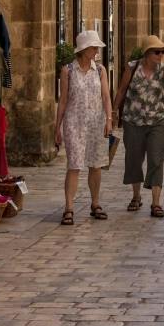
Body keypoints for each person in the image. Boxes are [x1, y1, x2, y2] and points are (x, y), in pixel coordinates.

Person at [54, 31, 113, 225]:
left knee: (95, 165)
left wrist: (109, 119)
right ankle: (69, 207)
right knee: (74, 165)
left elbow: (106, 96)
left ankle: (95, 203)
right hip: (74, 123)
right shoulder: (68, 71)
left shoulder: (100, 70)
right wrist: (57, 127)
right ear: (84, 49)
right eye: (94, 47)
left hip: (96, 122)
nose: (97, 50)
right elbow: (63, 100)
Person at [118, 35, 164, 218]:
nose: (160, 55)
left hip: (157, 122)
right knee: (134, 159)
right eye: (157, 52)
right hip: (133, 121)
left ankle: (156, 202)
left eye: (162, 51)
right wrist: (113, 112)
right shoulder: (132, 67)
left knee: (156, 159)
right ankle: (136, 196)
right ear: (146, 53)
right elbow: (121, 90)